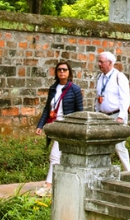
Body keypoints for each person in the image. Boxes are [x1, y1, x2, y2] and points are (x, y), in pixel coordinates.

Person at [35, 60, 83, 197]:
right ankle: (63, 184)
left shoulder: (75, 89)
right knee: (61, 156)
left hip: (67, 126)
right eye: (59, 70)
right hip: (55, 126)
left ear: (69, 73)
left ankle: (49, 185)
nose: (62, 72)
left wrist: (77, 129)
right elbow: (47, 109)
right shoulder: (53, 88)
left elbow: (80, 111)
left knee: (55, 155)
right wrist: (40, 125)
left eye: (64, 70)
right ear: (56, 73)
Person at [95, 51, 130, 171]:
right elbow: (98, 97)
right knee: (102, 145)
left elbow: (125, 98)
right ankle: (105, 170)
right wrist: (96, 113)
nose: (99, 64)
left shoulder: (119, 76)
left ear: (110, 63)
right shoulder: (100, 77)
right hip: (103, 116)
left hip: (116, 115)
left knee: (119, 146)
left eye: (101, 62)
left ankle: (128, 172)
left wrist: (121, 117)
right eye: (99, 61)